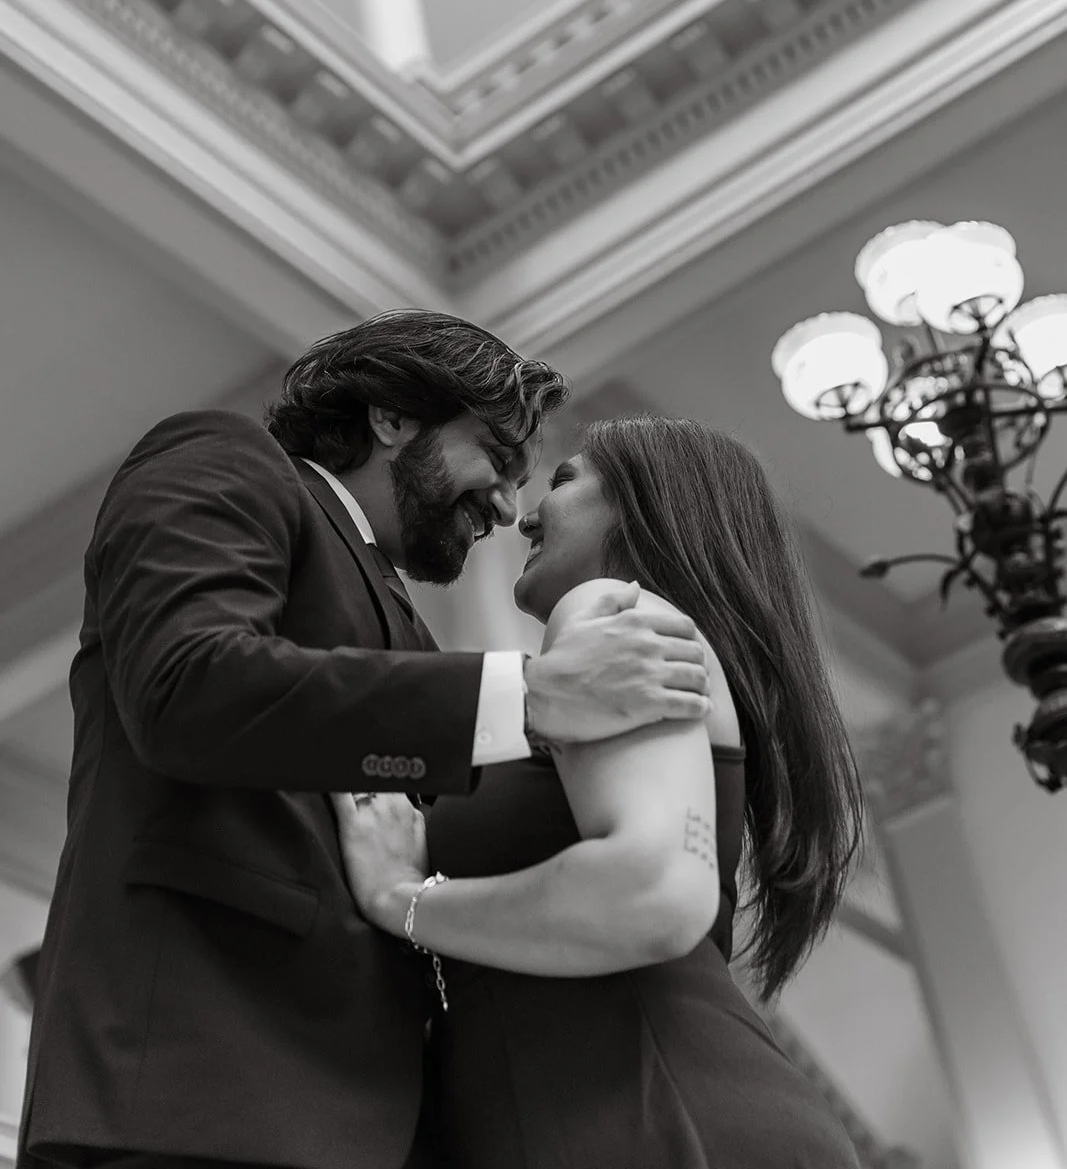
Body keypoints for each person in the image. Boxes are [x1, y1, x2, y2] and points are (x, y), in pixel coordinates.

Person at [17, 317, 713, 1169]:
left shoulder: (407, 626)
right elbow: (186, 685)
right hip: (202, 1085)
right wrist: (525, 693)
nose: (504, 506)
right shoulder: (222, 457)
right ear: (392, 417)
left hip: (367, 1119)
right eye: (494, 456)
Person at [334, 415, 866, 1169]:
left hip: (651, 1120)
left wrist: (402, 899)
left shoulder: (613, 613)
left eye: (562, 481)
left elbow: (649, 890)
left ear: (645, 505)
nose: (522, 514)